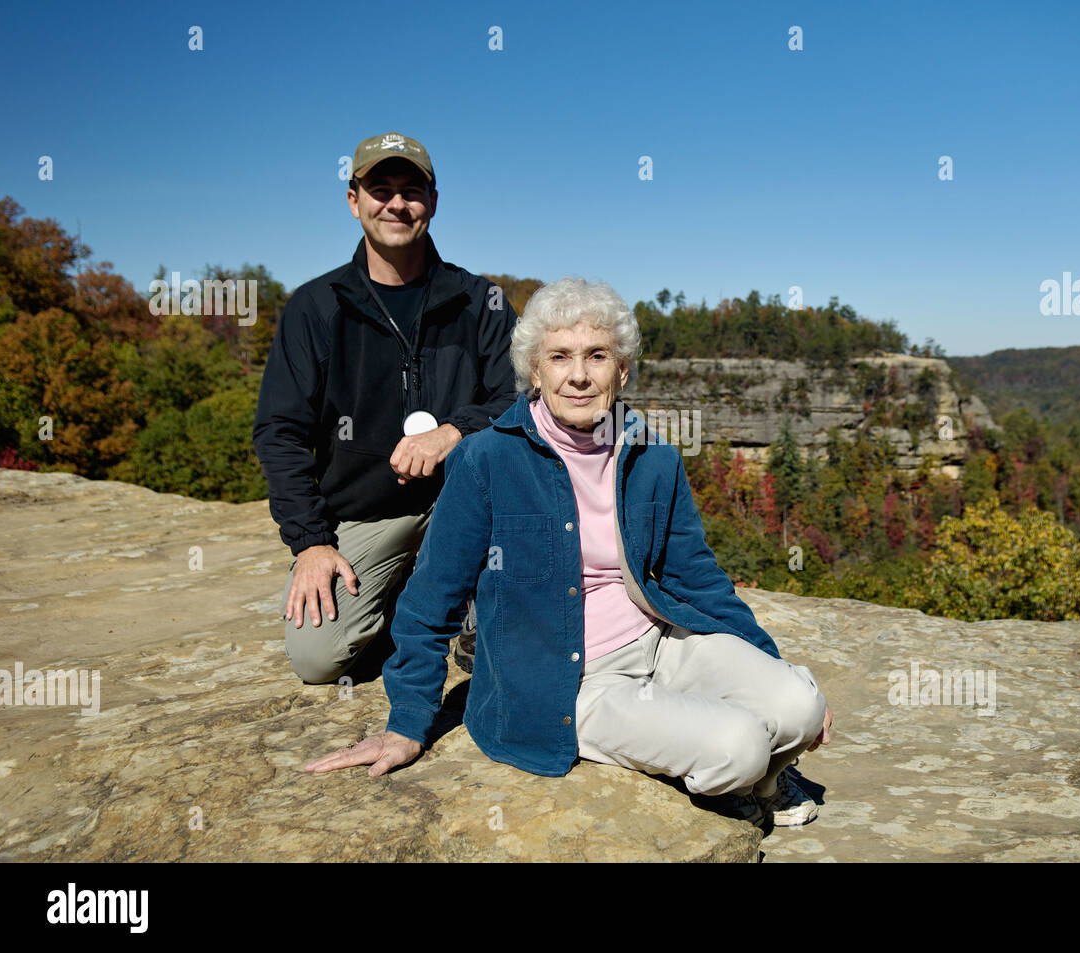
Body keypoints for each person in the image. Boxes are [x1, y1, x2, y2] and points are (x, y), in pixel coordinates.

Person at [304, 277, 833, 826]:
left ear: (622, 370)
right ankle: (743, 775)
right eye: (559, 356)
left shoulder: (652, 456)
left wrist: (769, 663)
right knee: (741, 744)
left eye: (597, 355)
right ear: (536, 372)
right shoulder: (487, 461)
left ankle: (762, 777)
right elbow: (432, 596)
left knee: (801, 703)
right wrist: (408, 720)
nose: (578, 374)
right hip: (568, 680)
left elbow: (697, 577)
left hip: (661, 645)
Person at [252, 131, 516, 684]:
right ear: (354, 200)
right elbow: (281, 432)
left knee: (517, 638)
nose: (397, 203)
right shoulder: (316, 307)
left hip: (470, 507)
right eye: (381, 188)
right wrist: (312, 543)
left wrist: (453, 432)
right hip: (367, 516)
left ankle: (471, 601)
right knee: (317, 659)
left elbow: (521, 401)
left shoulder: (481, 302)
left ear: (433, 200)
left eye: (411, 189)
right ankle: (406, 592)